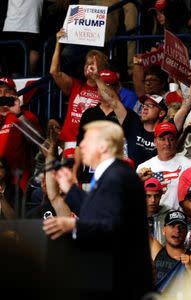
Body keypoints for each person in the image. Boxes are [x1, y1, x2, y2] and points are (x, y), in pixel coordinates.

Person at [42, 120, 152, 299]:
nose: (81, 144)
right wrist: (71, 189)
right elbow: (98, 212)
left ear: (103, 146)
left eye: (87, 140)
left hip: (121, 286)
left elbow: (113, 226)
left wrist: (73, 225)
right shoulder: (113, 175)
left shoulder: (116, 177)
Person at [49, 28, 109, 158]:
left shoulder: (107, 91)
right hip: (68, 143)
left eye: (94, 64)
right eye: (87, 63)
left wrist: (98, 78)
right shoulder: (75, 85)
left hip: (92, 145)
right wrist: (58, 43)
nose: (89, 67)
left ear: (103, 69)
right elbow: (54, 72)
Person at [136, 121, 191, 210]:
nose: (167, 143)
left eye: (171, 139)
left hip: (179, 220)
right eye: (162, 139)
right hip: (151, 219)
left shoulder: (189, 166)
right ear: (155, 141)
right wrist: (137, 180)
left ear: (176, 141)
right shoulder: (143, 167)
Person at [0, 77, 42, 191]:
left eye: (7, 91)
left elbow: (38, 142)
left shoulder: (25, 116)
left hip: (18, 188)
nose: (2, 95)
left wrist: (18, 113)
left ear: (15, 94)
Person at [150, 210, 191, 291]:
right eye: (172, 225)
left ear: (186, 232)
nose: (177, 230)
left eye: (181, 227)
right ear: (163, 230)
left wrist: (190, 270)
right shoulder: (157, 251)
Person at [145, 177, 169, 245]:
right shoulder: (133, 216)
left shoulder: (169, 215)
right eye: (148, 196)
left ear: (161, 196)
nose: (153, 200)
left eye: (156, 196)